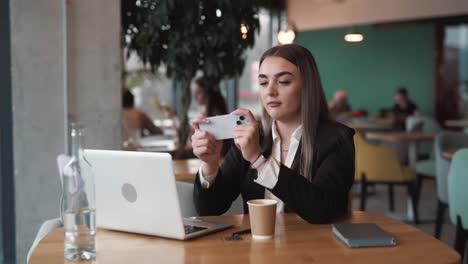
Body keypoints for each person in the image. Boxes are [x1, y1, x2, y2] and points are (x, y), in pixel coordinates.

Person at [191, 44, 355, 224]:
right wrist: (210, 165)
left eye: (283, 81)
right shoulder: (254, 136)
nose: (270, 91)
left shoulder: (337, 139)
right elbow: (210, 209)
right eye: (263, 82)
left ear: (307, 86)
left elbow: (324, 209)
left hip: (313, 249)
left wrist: (259, 160)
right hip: (259, 248)